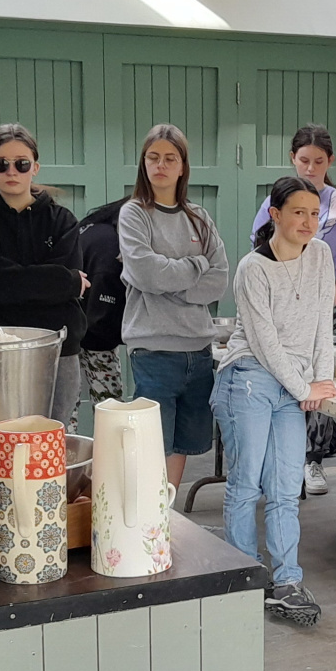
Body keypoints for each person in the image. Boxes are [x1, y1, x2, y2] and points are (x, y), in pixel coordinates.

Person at [217, 176, 336, 627]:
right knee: (246, 483)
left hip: (294, 383)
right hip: (249, 377)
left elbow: (322, 323)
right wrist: (304, 388)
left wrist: (321, 380)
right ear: (275, 215)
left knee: (286, 487)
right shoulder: (253, 268)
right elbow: (264, 342)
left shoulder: (321, 255)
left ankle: (287, 581)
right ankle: (244, 576)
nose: (308, 221)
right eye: (298, 212)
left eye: (315, 213)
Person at [251, 125, 336, 496]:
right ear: (292, 159)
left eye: (319, 161)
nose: (311, 168)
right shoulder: (274, 203)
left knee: (319, 379)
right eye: (304, 160)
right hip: (282, 310)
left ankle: (313, 458)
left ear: (330, 161)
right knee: (282, 376)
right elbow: (259, 252)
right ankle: (281, 459)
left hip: (329, 307)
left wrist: (324, 301)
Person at [119, 124, 229, 491]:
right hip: (153, 351)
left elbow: (219, 280)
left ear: (182, 167)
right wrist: (196, 265)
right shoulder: (134, 214)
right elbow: (147, 273)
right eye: (153, 157)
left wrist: (169, 283)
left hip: (197, 350)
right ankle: (149, 515)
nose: (161, 165)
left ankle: (166, 514)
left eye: (170, 158)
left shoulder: (199, 217)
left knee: (182, 443)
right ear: (144, 164)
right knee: (153, 445)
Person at [0, 124, 88, 428]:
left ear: (35, 168)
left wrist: (0, 287)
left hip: (59, 349)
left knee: (52, 440)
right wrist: (64, 281)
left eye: (22, 164)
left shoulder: (63, 220)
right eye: (1, 163)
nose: (11, 171)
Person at [77, 194, 131, 406]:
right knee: (110, 406)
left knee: (65, 407)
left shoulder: (91, 227)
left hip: (62, 328)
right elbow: (102, 309)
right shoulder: (112, 244)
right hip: (93, 332)